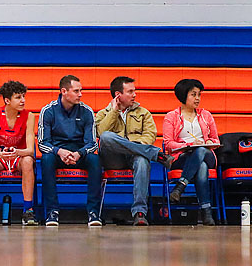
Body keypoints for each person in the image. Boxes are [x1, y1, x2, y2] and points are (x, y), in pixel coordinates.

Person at [95, 76, 173, 226]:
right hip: (113, 159)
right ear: (118, 95)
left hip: (135, 158)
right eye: (130, 91)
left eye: (134, 91)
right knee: (106, 137)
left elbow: (150, 135)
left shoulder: (143, 113)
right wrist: (114, 112)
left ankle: (140, 213)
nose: (134, 95)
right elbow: (100, 134)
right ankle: (155, 154)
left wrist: (134, 146)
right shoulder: (103, 114)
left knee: (143, 160)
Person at [38, 75, 102, 227]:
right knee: (46, 159)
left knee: (95, 159)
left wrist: (79, 153)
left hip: (78, 152)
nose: (80, 94)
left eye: (81, 91)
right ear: (64, 91)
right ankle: (52, 212)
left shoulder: (87, 111)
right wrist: (59, 151)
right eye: (76, 91)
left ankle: (93, 212)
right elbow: (42, 143)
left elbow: (92, 143)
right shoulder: (48, 111)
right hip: (57, 152)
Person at [163, 78, 220, 226]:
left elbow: (215, 140)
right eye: (193, 95)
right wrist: (189, 144)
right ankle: (206, 213)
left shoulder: (206, 115)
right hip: (183, 156)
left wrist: (208, 142)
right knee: (201, 167)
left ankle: (181, 185)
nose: (197, 98)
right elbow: (169, 144)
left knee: (201, 151)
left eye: (199, 95)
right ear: (183, 95)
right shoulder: (171, 117)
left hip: (207, 154)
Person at [0, 80, 37, 225]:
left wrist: (18, 152)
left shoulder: (29, 116)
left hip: (19, 157)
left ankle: (28, 210)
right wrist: (0, 155)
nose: (23, 100)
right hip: (0, 158)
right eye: (18, 97)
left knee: (28, 161)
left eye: (23, 96)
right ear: (7, 100)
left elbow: (30, 150)